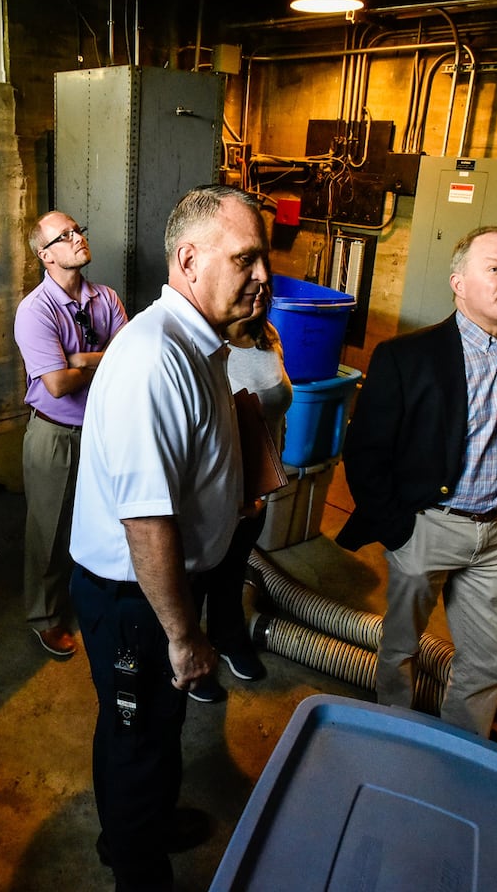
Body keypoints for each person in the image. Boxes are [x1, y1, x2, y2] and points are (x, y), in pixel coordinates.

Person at [68, 183, 270, 891]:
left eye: (262, 259)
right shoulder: (155, 356)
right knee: (137, 739)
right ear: (189, 259)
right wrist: (184, 635)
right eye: (245, 259)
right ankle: (137, 869)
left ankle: (140, 829)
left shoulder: (199, 342)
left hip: (164, 590)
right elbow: (146, 521)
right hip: (138, 600)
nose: (263, 277)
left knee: (155, 727)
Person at [335, 225, 497, 737]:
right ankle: (394, 729)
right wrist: (399, 529)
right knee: (402, 645)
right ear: (459, 282)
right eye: (495, 268)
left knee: (487, 660)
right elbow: (365, 451)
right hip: (429, 527)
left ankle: (460, 749)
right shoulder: (408, 357)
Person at [13, 210, 126, 658]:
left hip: (103, 431)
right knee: (50, 529)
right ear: (46, 255)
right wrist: (99, 360)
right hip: (56, 435)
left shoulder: (107, 299)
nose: (78, 237)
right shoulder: (35, 310)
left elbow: (128, 359)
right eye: (65, 235)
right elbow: (56, 386)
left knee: (105, 521)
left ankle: (94, 600)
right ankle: (44, 616)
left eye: (78, 229)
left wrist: (79, 360)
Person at [189, 284, 290, 703]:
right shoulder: (208, 345)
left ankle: (228, 639)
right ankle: (191, 657)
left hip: (258, 479)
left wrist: (263, 482)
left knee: (232, 571)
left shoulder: (269, 335)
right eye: (250, 286)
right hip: (216, 485)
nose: (259, 293)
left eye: (264, 287)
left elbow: (273, 414)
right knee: (198, 576)